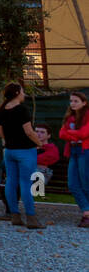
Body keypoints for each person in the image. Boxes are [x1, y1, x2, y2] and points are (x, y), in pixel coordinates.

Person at [0, 82, 44, 228]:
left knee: (11, 181)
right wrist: (40, 143)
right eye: (22, 91)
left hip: (9, 151)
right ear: (17, 93)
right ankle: (31, 218)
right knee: (26, 183)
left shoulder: (2, 109)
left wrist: (8, 141)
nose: (24, 94)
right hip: (25, 151)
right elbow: (29, 131)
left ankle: (15, 215)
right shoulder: (22, 109)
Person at [57, 89, 89, 228]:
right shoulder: (69, 117)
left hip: (85, 151)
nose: (72, 103)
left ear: (84, 103)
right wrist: (75, 134)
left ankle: (86, 215)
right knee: (72, 184)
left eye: (76, 101)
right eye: (71, 101)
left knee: (86, 182)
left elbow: (84, 133)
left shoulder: (88, 115)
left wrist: (71, 134)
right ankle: (87, 211)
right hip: (73, 151)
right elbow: (61, 134)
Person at [33, 127, 59, 191]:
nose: (38, 134)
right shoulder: (29, 147)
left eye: (42, 132)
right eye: (36, 131)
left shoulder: (52, 148)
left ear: (48, 136)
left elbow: (45, 159)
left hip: (41, 176)